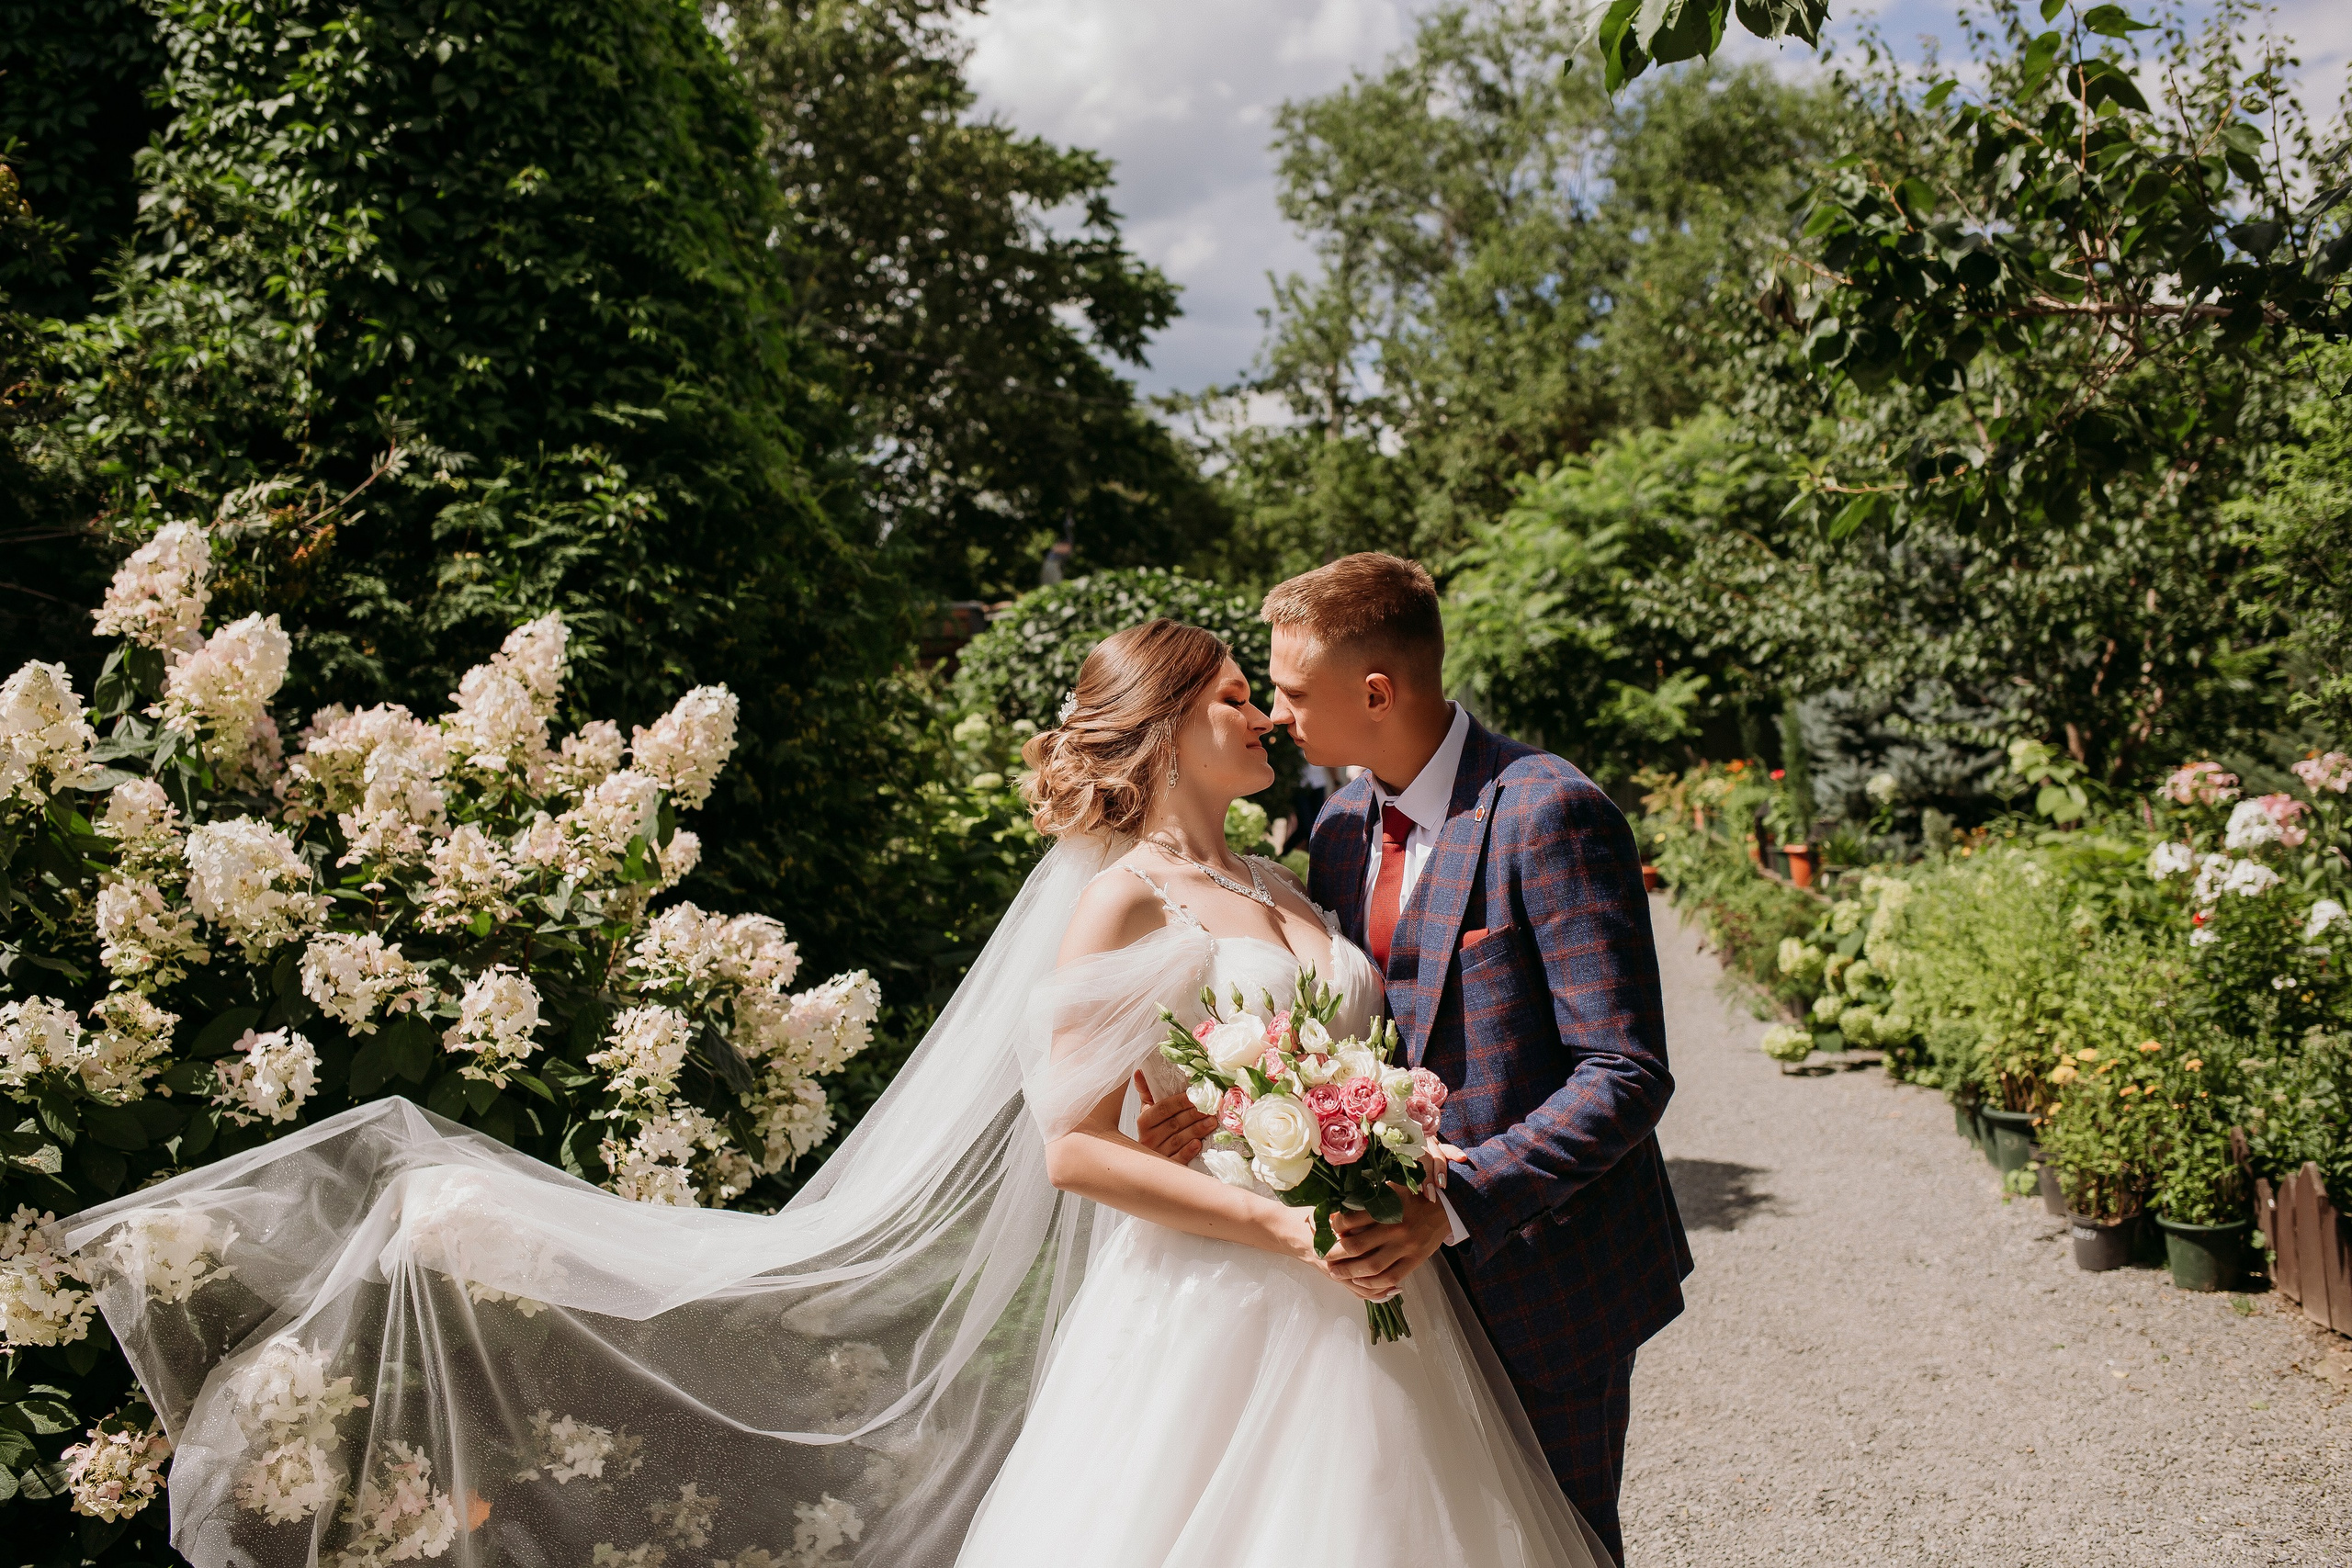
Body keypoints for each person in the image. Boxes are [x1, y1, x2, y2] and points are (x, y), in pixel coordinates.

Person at [62, 619, 1609, 1568]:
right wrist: (1273, 1217)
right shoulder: (1123, 900)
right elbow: (1072, 1149)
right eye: (1233, 703)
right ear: (1160, 730)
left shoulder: (1281, 872)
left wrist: (1341, 1149)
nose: (1265, 721)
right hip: (1226, 1293)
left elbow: (1187, 1099)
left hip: (1361, 1287)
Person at [1261, 552, 1692, 1565]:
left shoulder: (1549, 810)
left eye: (1290, 690)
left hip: (1545, 1277)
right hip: (1391, 1292)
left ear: (1376, 692)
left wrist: (1453, 1205)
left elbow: (1624, 1071)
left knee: (1562, 1547)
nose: (1278, 713)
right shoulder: (1332, 829)